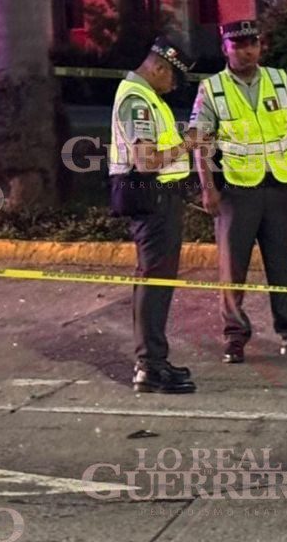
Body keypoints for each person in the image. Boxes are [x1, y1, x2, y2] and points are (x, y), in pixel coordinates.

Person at [190, 19, 287, 364]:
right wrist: (207, 189)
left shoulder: (278, 80)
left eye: (252, 43)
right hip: (237, 191)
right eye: (238, 45)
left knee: (282, 267)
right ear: (225, 49)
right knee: (232, 269)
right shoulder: (213, 89)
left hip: (279, 186)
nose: (247, 50)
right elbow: (201, 144)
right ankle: (235, 337)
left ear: (260, 46)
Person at [109, 37, 202, 394]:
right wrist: (188, 144)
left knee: (156, 280)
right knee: (154, 281)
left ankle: (155, 360)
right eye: (174, 79)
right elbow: (146, 161)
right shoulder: (138, 101)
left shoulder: (145, 97)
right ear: (159, 68)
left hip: (158, 199)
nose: (175, 86)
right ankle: (149, 366)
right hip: (153, 199)